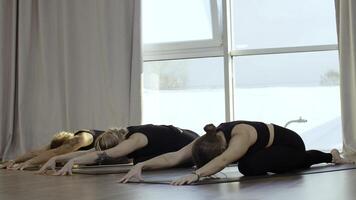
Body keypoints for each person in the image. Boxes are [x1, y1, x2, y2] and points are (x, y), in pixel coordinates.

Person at [119, 121, 353, 185]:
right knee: (250, 166)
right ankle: (325, 156)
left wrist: (198, 174)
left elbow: (224, 160)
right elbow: (174, 156)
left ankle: (329, 156)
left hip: (290, 144)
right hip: (264, 151)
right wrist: (141, 166)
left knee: (248, 166)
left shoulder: (239, 137)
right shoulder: (206, 139)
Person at [37, 124, 199, 175]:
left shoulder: (135, 139)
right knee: (138, 161)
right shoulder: (122, 134)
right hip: (184, 138)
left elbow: (106, 154)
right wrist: (56, 158)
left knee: (140, 162)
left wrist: (74, 161)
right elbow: (90, 152)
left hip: (193, 146)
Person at [1, 129, 108, 170]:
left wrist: (29, 163)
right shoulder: (63, 143)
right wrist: (14, 160)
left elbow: (56, 152)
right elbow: (36, 152)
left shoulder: (81, 138)